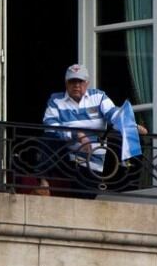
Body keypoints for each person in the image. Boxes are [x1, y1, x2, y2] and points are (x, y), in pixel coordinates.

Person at [39, 64, 147, 196]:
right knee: (49, 137)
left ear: (87, 83)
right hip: (67, 157)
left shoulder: (98, 96)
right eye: (72, 81)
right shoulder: (56, 100)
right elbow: (50, 126)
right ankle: (43, 183)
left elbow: (113, 114)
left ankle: (132, 188)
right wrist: (76, 134)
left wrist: (132, 126)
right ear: (66, 83)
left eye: (80, 81)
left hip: (93, 159)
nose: (76, 85)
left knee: (85, 199)